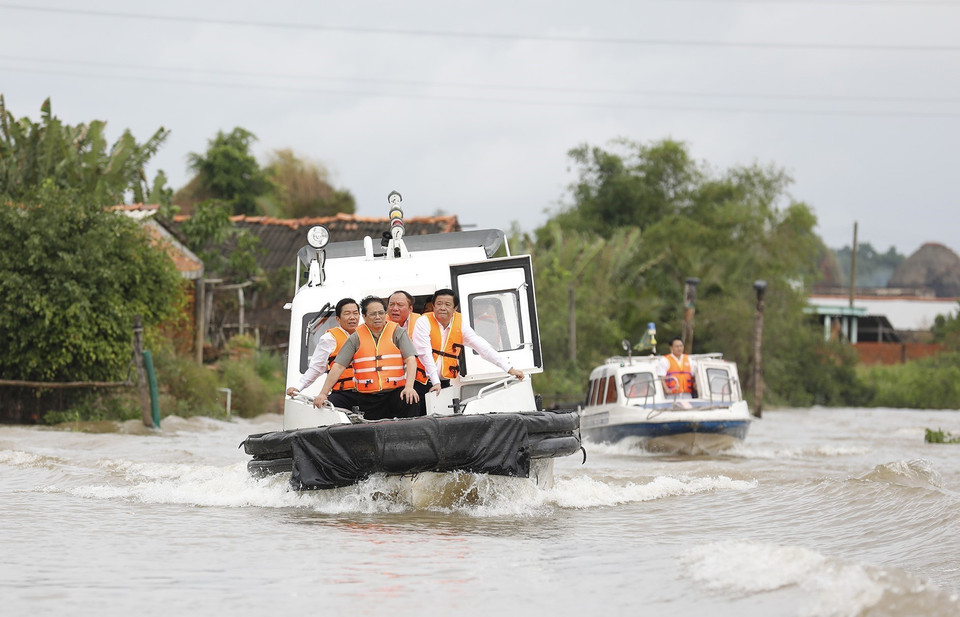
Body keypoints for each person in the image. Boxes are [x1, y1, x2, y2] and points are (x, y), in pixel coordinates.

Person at [412, 289, 524, 413]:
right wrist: (435, 382)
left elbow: (482, 347)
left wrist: (509, 368)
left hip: (443, 383)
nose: (442, 308)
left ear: (455, 308)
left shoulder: (460, 325)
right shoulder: (423, 322)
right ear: (433, 306)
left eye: (447, 304)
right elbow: (425, 354)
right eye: (439, 304)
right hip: (421, 382)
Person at [312, 296, 420, 420]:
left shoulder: (397, 332)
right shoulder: (356, 337)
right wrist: (323, 393)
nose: (378, 317)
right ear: (364, 316)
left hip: (396, 392)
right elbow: (339, 366)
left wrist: (409, 387)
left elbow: (411, 359)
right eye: (373, 314)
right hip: (368, 397)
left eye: (381, 313)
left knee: (411, 399)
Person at [285, 298, 360, 397]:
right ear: (338, 319)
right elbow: (317, 368)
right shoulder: (329, 338)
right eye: (347, 314)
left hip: (366, 392)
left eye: (355, 313)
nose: (352, 317)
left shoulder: (366, 335)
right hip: (343, 394)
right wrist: (298, 387)